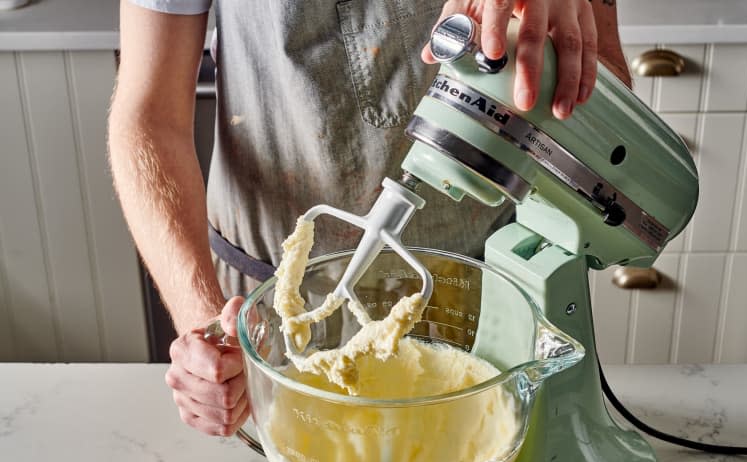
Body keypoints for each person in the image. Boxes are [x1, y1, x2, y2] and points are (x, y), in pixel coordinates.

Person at [108, 0, 632, 437]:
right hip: (266, 320)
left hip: (483, 305)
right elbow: (150, 115)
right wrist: (209, 332)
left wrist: (563, 37)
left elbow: (608, 100)